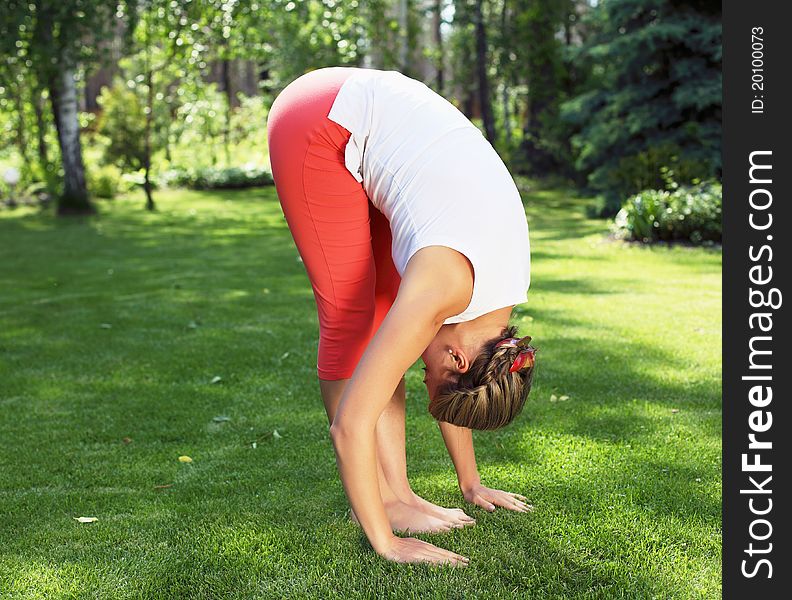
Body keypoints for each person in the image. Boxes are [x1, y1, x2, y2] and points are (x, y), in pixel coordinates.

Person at [266, 66, 537, 567]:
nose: (420, 368)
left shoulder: (494, 306)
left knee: (387, 314)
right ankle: (386, 507)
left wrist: (470, 482)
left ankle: (401, 494)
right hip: (321, 122)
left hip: (379, 116)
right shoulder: (442, 286)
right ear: (456, 358)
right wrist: (387, 545)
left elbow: (464, 380)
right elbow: (349, 426)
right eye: (430, 376)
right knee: (352, 322)